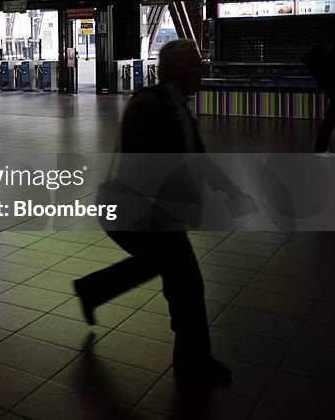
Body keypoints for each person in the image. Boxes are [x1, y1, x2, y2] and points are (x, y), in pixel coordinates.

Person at [73, 40, 236, 385]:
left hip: (158, 214)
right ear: (175, 71)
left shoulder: (178, 105)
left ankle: (93, 290)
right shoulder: (149, 105)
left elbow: (197, 157)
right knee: (186, 284)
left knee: (165, 272)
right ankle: (194, 361)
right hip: (144, 213)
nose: (202, 70)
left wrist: (229, 190)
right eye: (196, 65)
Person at [302, 44, 335, 154]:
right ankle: (320, 149)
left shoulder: (327, 71)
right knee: (329, 122)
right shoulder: (332, 68)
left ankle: (320, 149)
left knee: (329, 122)